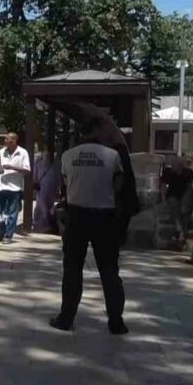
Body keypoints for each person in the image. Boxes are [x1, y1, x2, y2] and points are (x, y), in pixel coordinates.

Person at [50, 120, 128, 335]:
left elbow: (65, 184)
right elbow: (119, 183)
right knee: (110, 270)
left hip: (77, 215)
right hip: (104, 215)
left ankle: (66, 318)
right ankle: (116, 322)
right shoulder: (112, 156)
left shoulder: (68, 156)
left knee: (72, 269)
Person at [0, 132, 32, 244]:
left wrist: (12, 167)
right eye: (5, 140)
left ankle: (8, 235)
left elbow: (27, 171)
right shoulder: (1, 151)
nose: (6, 142)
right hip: (0, 186)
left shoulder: (23, 153)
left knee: (12, 213)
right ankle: (2, 230)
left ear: (15, 141)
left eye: (8, 140)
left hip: (14, 188)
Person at [161, 154, 193, 248]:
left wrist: (186, 200)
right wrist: (163, 200)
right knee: (174, 205)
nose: (176, 166)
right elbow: (163, 186)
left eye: (178, 164)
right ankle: (180, 231)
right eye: (174, 164)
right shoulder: (168, 172)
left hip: (184, 196)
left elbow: (190, 188)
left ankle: (181, 233)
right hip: (172, 195)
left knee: (184, 209)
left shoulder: (188, 172)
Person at [33, 150, 61, 234]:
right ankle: (42, 222)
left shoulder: (55, 165)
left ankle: (45, 222)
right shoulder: (38, 163)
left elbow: (58, 177)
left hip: (51, 188)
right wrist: (34, 183)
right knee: (41, 205)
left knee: (49, 204)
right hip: (41, 187)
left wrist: (57, 188)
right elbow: (35, 174)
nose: (47, 157)